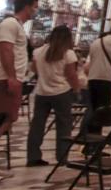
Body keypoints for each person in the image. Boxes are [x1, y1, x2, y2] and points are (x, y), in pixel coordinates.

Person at [27, 25, 83, 168]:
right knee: (64, 125)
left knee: (37, 125)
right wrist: (77, 90)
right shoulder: (68, 53)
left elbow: (33, 69)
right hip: (62, 92)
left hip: (41, 92)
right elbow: (71, 74)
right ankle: (62, 156)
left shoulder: (38, 51)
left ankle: (33, 156)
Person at [0, 0, 38, 139]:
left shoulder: (18, 26)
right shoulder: (10, 24)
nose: (36, 10)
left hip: (12, 78)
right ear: (27, 7)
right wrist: (11, 77)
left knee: (9, 118)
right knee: (1, 119)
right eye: (35, 7)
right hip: (4, 78)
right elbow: (6, 50)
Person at [85, 24, 111, 132]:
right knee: (102, 110)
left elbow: (92, 61)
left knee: (92, 108)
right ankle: (96, 136)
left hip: (92, 78)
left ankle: (87, 136)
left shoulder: (96, 42)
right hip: (106, 78)